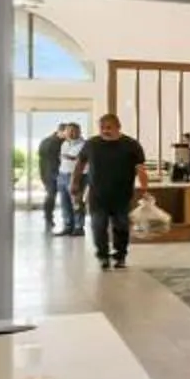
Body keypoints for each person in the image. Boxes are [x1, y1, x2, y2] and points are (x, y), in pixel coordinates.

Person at [73, 113, 149, 268]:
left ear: (118, 127)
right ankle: (103, 256)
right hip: (97, 195)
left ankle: (120, 256)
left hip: (122, 195)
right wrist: (74, 183)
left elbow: (141, 169)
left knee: (121, 226)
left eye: (109, 128)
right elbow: (80, 164)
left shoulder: (131, 145)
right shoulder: (91, 144)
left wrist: (144, 189)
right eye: (102, 128)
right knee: (98, 225)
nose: (105, 131)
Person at [36, 121, 78, 234]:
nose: (70, 135)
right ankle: (66, 221)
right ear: (62, 131)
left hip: (47, 173)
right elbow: (59, 159)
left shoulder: (45, 140)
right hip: (54, 173)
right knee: (59, 196)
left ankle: (49, 218)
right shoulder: (57, 142)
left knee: (52, 195)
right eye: (68, 132)